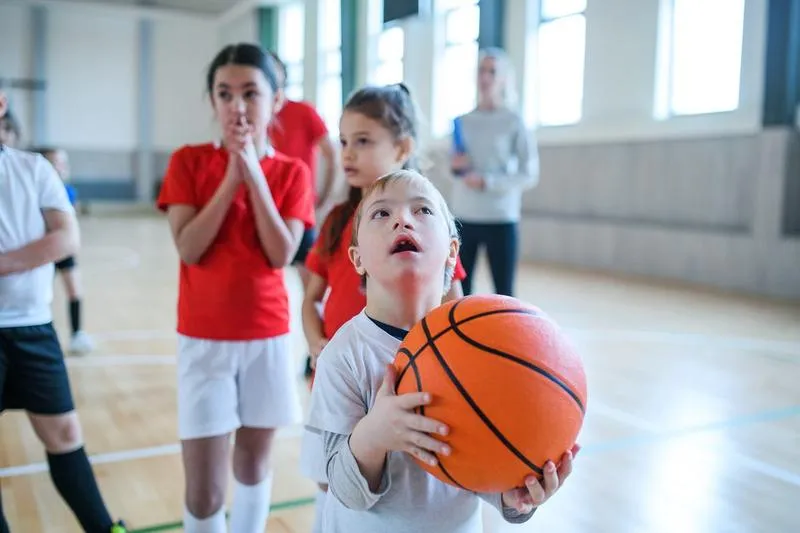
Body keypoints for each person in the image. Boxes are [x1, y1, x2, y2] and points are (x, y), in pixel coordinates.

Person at [306, 170, 577, 532]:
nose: (403, 219)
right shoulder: (344, 356)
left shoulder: (484, 346)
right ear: (357, 260)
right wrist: (376, 434)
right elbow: (343, 490)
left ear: (452, 252)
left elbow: (487, 451)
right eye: (381, 214)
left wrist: (515, 496)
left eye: (422, 211)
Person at [156, 43, 315, 533]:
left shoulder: (292, 172)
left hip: (266, 337)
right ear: (212, 101)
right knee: (204, 489)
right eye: (225, 94)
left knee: (251, 466)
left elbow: (280, 253)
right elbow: (189, 247)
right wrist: (231, 176)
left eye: (250, 93)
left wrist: (254, 175)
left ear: (276, 100)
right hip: (203, 339)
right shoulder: (188, 162)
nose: (238, 106)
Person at [298, 83, 467, 533]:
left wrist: (517, 492)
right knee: (334, 483)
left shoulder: (431, 241)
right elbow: (310, 298)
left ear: (403, 147)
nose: (348, 153)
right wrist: (318, 345)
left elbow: (458, 307)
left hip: (421, 357)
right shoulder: (337, 224)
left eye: (363, 141)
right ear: (359, 257)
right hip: (350, 371)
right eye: (343, 142)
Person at [0, 90, 127, 533]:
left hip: (32, 329)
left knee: (65, 435)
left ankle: (104, 529)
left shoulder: (32, 169)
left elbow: (65, 239)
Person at [266, 50, 338, 378]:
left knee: (312, 289)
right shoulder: (257, 115)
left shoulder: (304, 112)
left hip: (298, 215)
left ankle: (317, 353)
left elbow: (331, 152)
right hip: (261, 215)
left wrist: (321, 196)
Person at [450, 47, 539, 297]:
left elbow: (529, 172)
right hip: (464, 217)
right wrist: (455, 168)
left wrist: (487, 182)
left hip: (501, 218)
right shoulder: (462, 121)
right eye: (481, 70)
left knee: (504, 293)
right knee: (460, 293)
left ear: (504, 79)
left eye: (492, 71)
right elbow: (454, 169)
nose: (485, 77)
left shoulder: (513, 121)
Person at [34, 146, 94, 354]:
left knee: (75, 289)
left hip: (63, 249)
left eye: (62, 163)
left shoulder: (68, 191)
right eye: (54, 163)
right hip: (41, 250)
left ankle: (77, 334)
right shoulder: (33, 190)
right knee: (41, 293)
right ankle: (39, 333)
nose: (60, 167)